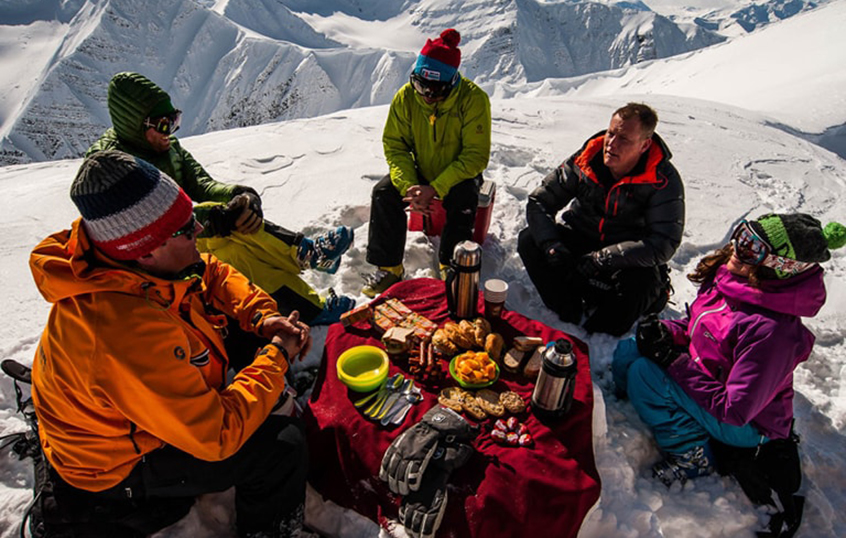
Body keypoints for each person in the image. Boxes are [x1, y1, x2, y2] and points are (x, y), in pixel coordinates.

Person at [29, 151, 313, 537]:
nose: (199, 230)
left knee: (243, 333)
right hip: (114, 467)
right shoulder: (121, 330)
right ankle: (273, 530)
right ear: (145, 248)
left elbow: (209, 269)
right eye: (185, 229)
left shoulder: (121, 259)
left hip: (138, 410)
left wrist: (260, 316)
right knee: (283, 448)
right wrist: (277, 356)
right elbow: (216, 435)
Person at [87, 71, 353, 325]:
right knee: (233, 250)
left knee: (236, 231)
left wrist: (239, 195)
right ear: (134, 124)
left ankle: (310, 283)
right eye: (163, 125)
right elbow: (148, 224)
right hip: (154, 257)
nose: (171, 131)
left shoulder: (169, 148)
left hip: (186, 235)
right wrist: (214, 217)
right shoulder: (113, 167)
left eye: (174, 120)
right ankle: (307, 265)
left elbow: (202, 184)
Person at [612, 213, 845, 487]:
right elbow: (702, 326)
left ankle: (691, 456)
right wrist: (668, 333)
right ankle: (649, 405)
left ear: (778, 266)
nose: (737, 247)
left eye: (752, 247)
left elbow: (736, 410)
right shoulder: (735, 281)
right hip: (709, 379)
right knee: (629, 352)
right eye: (743, 235)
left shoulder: (772, 333)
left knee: (645, 374)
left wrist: (673, 361)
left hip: (747, 426)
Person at [518, 102, 684, 336]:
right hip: (579, 242)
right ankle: (568, 310)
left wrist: (602, 259)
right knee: (529, 240)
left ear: (645, 145)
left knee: (642, 285)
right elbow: (540, 202)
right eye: (611, 133)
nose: (611, 144)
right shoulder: (587, 158)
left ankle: (597, 333)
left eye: (624, 139)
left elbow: (663, 243)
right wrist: (552, 246)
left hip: (624, 260)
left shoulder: (662, 180)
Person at [362, 29, 491, 297]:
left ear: (453, 81)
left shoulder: (473, 100)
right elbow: (396, 146)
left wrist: (437, 187)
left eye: (437, 90)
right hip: (419, 169)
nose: (428, 96)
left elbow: (475, 157)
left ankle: (451, 265)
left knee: (464, 196)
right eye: (421, 86)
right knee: (384, 193)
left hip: (458, 172)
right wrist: (409, 185)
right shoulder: (406, 97)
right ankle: (389, 268)